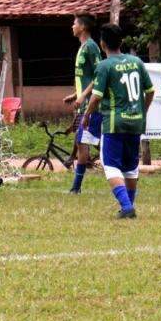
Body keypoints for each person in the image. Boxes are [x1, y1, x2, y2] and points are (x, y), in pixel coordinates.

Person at [81, 24, 155, 219]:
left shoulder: (104, 66)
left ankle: (126, 206)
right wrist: (142, 111)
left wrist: (86, 116)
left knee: (111, 165)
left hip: (114, 123)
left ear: (102, 43)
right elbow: (150, 91)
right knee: (130, 166)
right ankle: (129, 206)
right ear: (121, 42)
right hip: (136, 122)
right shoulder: (137, 62)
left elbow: (96, 97)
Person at [63, 12, 102, 194]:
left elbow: (99, 75)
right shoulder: (83, 47)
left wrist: (83, 96)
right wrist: (76, 94)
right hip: (84, 102)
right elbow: (86, 78)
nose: (72, 26)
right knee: (82, 142)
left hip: (91, 105)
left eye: (74, 23)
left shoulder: (92, 47)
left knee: (84, 143)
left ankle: (76, 188)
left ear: (83, 27)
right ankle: (76, 187)